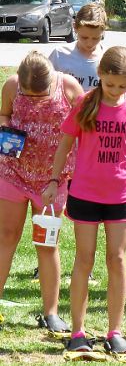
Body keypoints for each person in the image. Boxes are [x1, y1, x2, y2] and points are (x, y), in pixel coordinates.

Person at [42, 47, 126, 358]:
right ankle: (78, 331)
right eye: (110, 85)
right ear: (101, 77)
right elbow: (65, 143)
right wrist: (54, 180)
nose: (115, 92)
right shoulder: (86, 103)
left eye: (122, 86)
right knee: (84, 259)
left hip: (120, 195)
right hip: (85, 193)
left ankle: (115, 331)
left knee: (118, 260)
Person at [0, 53, 83, 334]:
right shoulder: (11, 86)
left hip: (52, 181)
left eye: (40, 94)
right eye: (28, 94)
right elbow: (4, 113)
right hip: (14, 173)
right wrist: (5, 127)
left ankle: (51, 312)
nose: (33, 98)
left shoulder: (69, 87)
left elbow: (84, 126)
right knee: (6, 237)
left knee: (47, 245)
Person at [49, 3, 106, 92]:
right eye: (84, 37)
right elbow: (46, 85)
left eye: (96, 38)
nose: (89, 43)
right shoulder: (59, 54)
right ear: (74, 27)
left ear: (103, 32)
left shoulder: (106, 57)